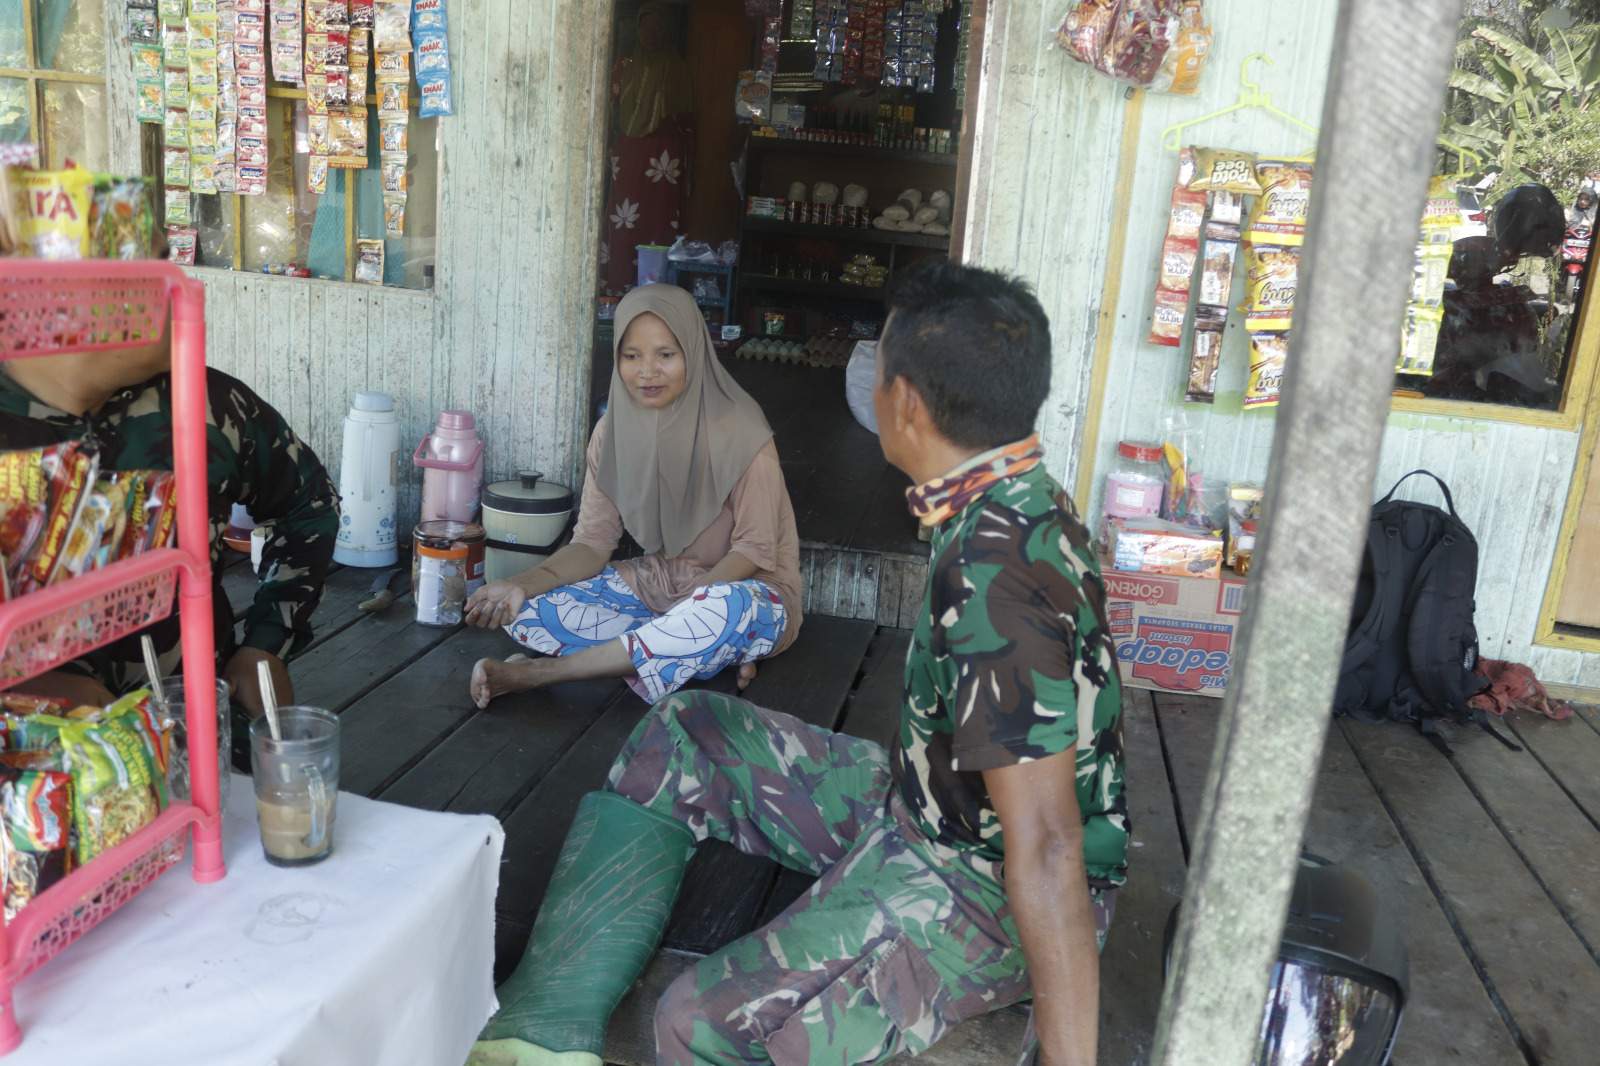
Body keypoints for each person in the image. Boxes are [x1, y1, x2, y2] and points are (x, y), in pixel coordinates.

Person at [468, 262, 1128, 1066]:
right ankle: (547, 1028)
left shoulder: (998, 572)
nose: (872, 385)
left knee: (695, 1021)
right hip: (924, 810)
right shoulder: (1010, 498)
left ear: (906, 404)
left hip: (982, 890)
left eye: (875, 369)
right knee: (687, 732)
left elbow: (1052, 844)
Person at [0, 165, 340, 765]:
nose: (174, 284)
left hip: (201, 742)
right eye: (142, 267)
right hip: (43, 788)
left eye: (166, 260)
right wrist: (31, 696)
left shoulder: (204, 401)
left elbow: (308, 505)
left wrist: (265, 646)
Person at [464, 283, 802, 707]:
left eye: (666, 354)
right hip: (656, 587)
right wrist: (519, 584)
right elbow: (591, 543)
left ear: (693, 354)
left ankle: (538, 673)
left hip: (747, 591)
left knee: (721, 612)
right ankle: (685, 655)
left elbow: (753, 550)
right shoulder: (613, 432)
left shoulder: (742, 429)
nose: (647, 371)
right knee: (530, 612)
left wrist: (685, 614)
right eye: (632, 355)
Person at [601, 1, 694, 293]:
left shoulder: (677, 67)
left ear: (665, 31)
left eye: (657, 27)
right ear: (637, 28)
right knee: (623, 218)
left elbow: (687, 115)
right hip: (628, 153)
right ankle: (617, 282)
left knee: (659, 217)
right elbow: (608, 110)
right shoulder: (623, 66)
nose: (650, 33)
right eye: (645, 25)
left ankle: (658, 287)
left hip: (663, 158)